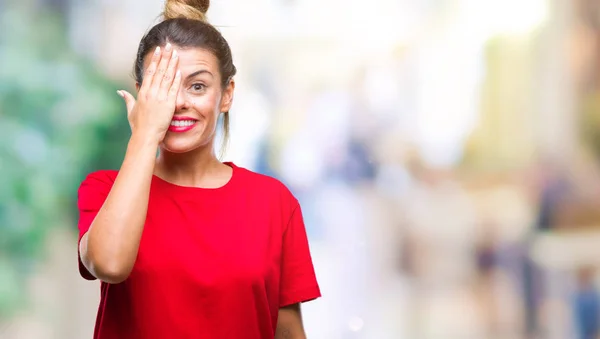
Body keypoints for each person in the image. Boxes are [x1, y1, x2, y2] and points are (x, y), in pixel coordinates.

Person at [76, 0, 321, 338]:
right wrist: (145, 134)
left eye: (197, 86)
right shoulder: (103, 190)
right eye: (163, 86)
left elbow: (289, 331)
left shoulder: (273, 203)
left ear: (226, 95)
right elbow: (110, 265)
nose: (178, 103)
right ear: (142, 94)